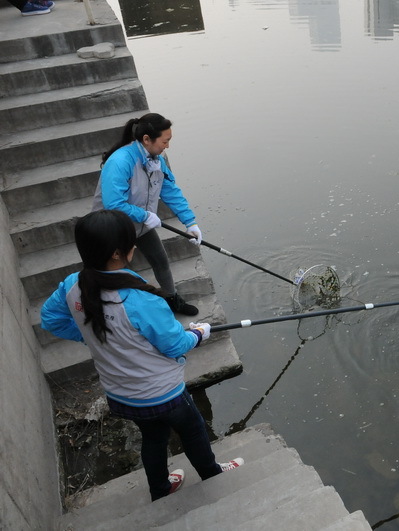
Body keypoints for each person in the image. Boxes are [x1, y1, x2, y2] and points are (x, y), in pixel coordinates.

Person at [41, 209, 243, 501]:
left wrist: (96, 339)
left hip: (121, 394)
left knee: (154, 437)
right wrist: (199, 333)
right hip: (163, 393)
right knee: (194, 430)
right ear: (116, 254)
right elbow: (175, 345)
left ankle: (161, 489)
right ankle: (212, 475)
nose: (134, 246)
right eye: (130, 242)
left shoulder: (72, 285)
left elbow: (51, 320)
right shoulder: (141, 300)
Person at [93, 112, 202, 316]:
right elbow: (113, 203)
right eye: (165, 141)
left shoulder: (156, 160)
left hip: (140, 224)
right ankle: (116, 314)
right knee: (116, 272)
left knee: (160, 259)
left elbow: (171, 191)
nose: (167, 146)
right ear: (146, 139)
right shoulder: (121, 162)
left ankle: (171, 299)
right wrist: (145, 215)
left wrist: (190, 222)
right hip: (113, 228)